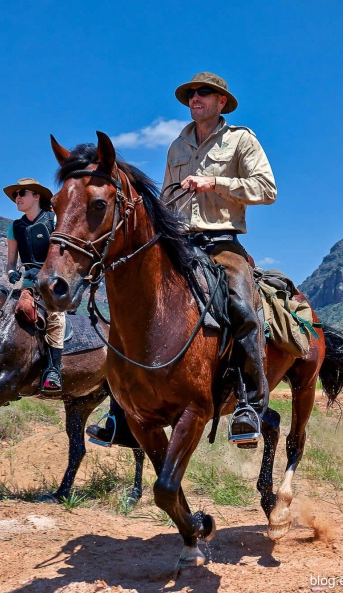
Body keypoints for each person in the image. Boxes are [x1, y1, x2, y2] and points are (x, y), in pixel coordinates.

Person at [87, 72, 276, 449]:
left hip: (222, 242)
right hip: (179, 241)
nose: (195, 98)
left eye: (204, 93)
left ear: (221, 101)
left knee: (242, 307)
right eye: (191, 93)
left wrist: (216, 183)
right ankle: (121, 413)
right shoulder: (178, 145)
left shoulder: (241, 139)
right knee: (132, 312)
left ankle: (250, 407)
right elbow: (166, 199)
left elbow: (266, 189)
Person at [4, 178, 66, 391]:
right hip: (28, 284)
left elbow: (64, 255)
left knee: (55, 317)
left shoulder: (53, 220)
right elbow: (10, 263)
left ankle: (53, 371)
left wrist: (42, 271)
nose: (17, 198)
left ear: (37, 196)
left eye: (22, 193)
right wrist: (12, 273)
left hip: (54, 282)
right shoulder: (15, 227)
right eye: (15, 196)